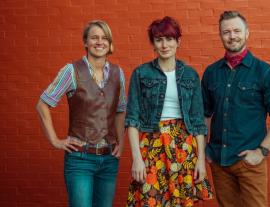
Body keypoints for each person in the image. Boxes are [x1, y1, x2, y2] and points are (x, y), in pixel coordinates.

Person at [201, 11, 270, 207]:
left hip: (250, 163)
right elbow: (205, 114)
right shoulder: (211, 72)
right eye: (226, 32)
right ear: (220, 35)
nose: (232, 36)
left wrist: (261, 151)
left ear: (247, 33)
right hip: (219, 162)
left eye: (236, 31)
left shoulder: (264, 72)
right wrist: (205, 149)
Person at [36, 20, 126, 207]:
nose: (99, 42)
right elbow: (42, 104)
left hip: (109, 160)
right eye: (94, 38)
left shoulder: (118, 73)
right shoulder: (71, 71)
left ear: (109, 43)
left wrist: (121, 141)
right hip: (80, 160)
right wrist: (55, 140)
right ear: (85, 42)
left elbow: (120, 110)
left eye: (104, 38)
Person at [125, 16, 213, 207]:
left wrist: (200, 160)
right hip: (152, 144)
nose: (164, 45)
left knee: (181, 202)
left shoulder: (190, 75)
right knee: (152, 199)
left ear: (178, 41)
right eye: (159, 39)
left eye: (169, 39)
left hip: (184, 146)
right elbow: (132, 120)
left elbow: (198, 123)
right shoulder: (141, 74)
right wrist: (136, 159)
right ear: (153, 44)